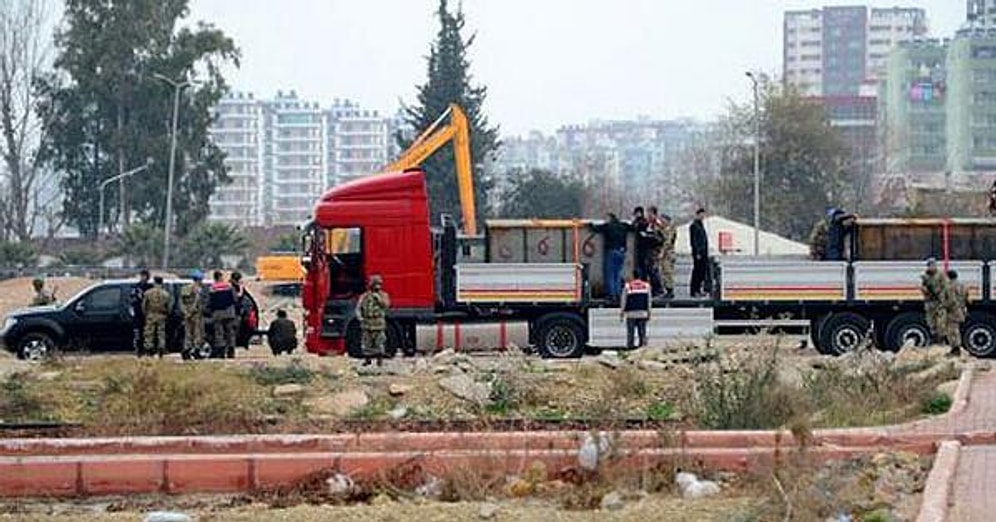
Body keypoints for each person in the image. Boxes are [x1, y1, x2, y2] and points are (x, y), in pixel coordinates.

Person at [589, 212, 630, 302]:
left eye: (606, 218)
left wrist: (590, 224)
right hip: (622, 252)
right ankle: (618, 293)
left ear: (609, 218)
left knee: (610, 274)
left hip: (612, 251)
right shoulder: (623, 226)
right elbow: (632, 227)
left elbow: (595, 229)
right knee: (617, 274)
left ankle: (611, 295)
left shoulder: (608, 226)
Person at [356, 274, 391, 367]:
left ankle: (380, 360)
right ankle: (367, 359)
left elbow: (386, 305)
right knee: (366, 343)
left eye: (378, 284)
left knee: (379, 342)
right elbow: (358, 308)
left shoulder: (383, 295)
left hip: (378, 323)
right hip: (367, 323)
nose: (377, 286)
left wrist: (378, 299)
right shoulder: (364, 296)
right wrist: (360, 318)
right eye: (375, 284)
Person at [208, 270, 238, 358]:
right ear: (221, 277)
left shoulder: (212, 288)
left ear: (214, 278)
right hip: (229, 312)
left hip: (217, 313)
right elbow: (235, 299)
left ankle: (221, 352)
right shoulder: (228, 286)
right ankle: (231, 351)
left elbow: (210, 302)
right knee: (230, 332)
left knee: (219, 333)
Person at [142, 276, 172, 358]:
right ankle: (161, 348)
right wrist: (166, 314)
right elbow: (169, 307)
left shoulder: (148, 293)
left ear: (154, 282)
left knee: (149, 333)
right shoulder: (166, 294)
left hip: (150, 314)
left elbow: (144, 306)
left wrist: (146, 314)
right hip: (161, 315)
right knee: (161, 333)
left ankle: (149, 348)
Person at [620, 271, 652, 350]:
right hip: (642, 313)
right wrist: (649, 312)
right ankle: (642, 348)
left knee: (630, 333)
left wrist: (622, 312)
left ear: (633, 276)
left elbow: (623, 300)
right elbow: (649, 301)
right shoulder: (646, 286)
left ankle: (630, 348)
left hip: (631, 313)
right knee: (642, 333)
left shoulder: (628, 286)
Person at [920, 259, 948, 345]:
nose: (931, 267)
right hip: (929, 302)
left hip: (939, 302)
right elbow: (923, 287)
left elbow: (945, 287)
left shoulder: (941, 275)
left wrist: (940, 294)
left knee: (941, 322)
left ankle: (942, 340)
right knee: (931, 322)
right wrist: (925, 290)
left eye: (933, 265)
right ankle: (934, 339)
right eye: (930, 265)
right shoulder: (925, 276)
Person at [179, 270, 205, 358]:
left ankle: (186, 350)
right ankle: (196, 351)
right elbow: (197, 301)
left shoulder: (185, 288)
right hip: (196, 314)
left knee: (188, 333)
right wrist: (191, 311)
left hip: (186, 313)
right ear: (199, 279)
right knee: (197, 333)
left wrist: (185, 312)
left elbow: (181, 301)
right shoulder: (198, 289)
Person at [944, 270, 969, 357]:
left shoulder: (949, 286)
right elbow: (967, 297)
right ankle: (956, 349)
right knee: (956, 329)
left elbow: (951, 300)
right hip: (961, 310)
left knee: (952, 331)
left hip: (952, 311)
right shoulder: (962, 285)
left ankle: (955, 349)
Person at [642, 206, 665, 296]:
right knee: (649, 270)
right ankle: (653, 289)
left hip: (654, 250)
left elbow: (661, 238)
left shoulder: (657, 225)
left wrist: (649, 236)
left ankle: (658, 289)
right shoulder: (649, 224)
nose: (648, 215)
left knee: (654, 270)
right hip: (648, 249)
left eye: (650, 213)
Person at [129, 270, 153, 356]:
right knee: (138, 333)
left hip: (147, 313)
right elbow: (131, 299)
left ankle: (148, 350)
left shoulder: (150, 287)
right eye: (142, 276)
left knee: (148, 333)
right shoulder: (136, 287)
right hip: (138, 313)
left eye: (145, 276)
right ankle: (139, 350)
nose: (143, 278)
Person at [689, 208, 710, 298]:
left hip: (704, 252)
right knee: (697, 272)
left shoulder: (701, 225)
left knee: (702, 272)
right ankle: (694, 290)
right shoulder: (694, 226)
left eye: (703, 215)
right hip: (698, 253)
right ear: (697, 215)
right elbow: (694, 241)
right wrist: (697, 252)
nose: (702, 216)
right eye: (701, 214)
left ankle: (699, 289)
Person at [657, 213, 677, 299]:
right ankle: (667, 289)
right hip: (666, 253)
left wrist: (662, 252)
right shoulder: (664, 228)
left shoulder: (670, 229)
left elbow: (667, 242)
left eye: (662, 220)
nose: (661, 222)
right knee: (664, 272)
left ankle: (670, 290)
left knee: (667, 272)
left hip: (668, 254)